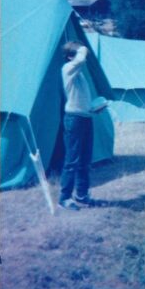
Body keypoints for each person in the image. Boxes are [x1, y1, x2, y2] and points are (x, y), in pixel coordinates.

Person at [59, 41, 97, 210]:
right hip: (74, 120)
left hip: (85, 118)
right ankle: (64, 198)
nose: (83, 57)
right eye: (77, 53)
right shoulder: (67, 68)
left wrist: (93, 108)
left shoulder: (79, 74)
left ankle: (81, 194)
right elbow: (80, 59)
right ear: (69, 57)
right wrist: (83, 48)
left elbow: (81, 99)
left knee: (84, 159)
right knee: (72, 160)